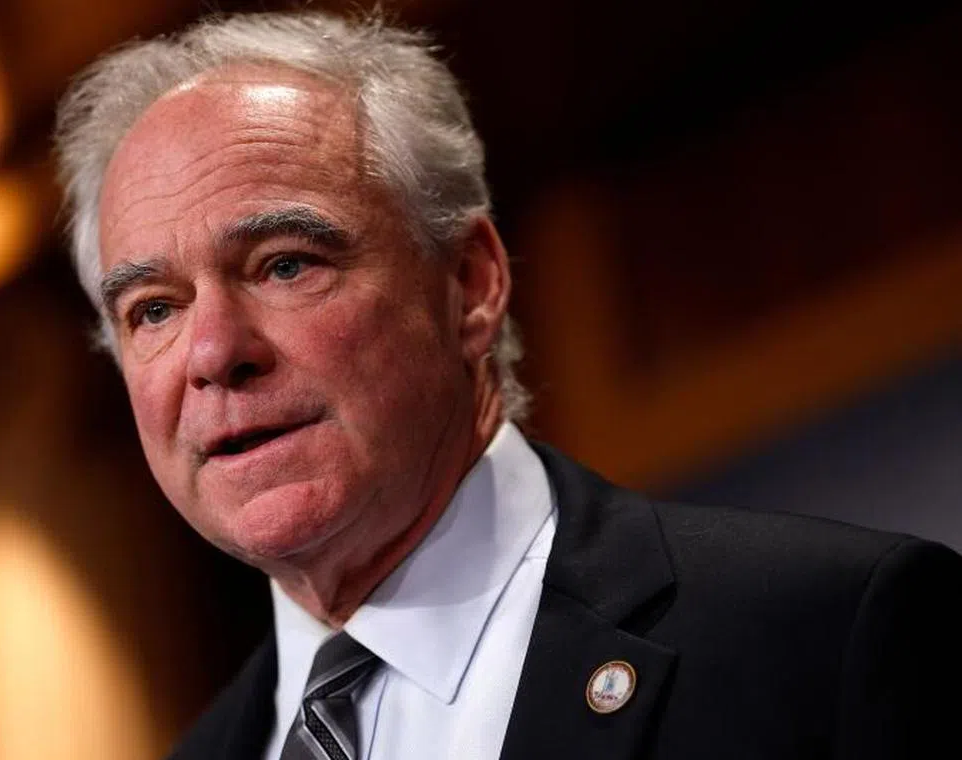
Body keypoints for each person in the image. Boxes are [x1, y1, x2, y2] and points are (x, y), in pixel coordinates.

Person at [54, 10, 962, 760]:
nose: (214, 351)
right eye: (154, 310)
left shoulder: (825, 638)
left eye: (286, 264)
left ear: (471, 285)